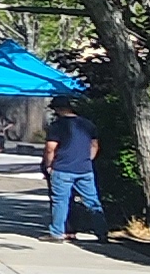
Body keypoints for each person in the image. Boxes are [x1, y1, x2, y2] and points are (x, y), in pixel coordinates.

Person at [43, 97, 104, 242]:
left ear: (57, 109)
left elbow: (50, 148)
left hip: (63, 168)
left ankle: (57, 233)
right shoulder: (87, 124)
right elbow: (94, 145)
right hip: (84, 169)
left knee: (60, 201)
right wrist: (87, 159)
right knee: (92, 200)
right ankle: (102, 232)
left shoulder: (57, 126)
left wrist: (49, 165)